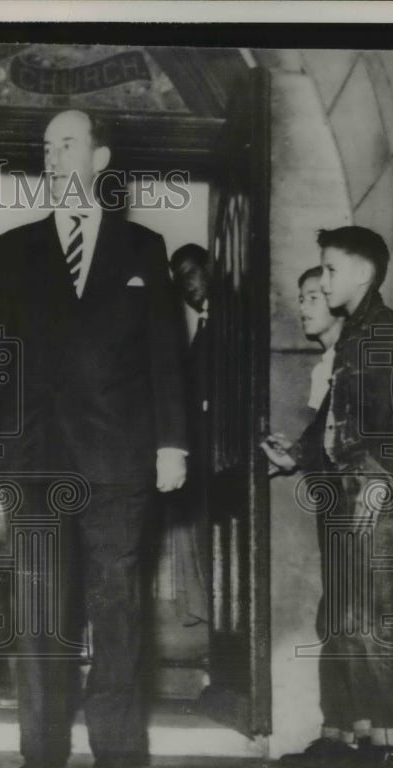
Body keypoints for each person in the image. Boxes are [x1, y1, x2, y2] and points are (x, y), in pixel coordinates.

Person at [0, 109, 187, 768]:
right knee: (37, 605)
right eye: (46, 147)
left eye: (68, 144)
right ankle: (41, 749)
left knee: (116, 602)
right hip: (34, 455)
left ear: (100, 158)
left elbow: (166, 352)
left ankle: (114, 754)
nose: (54, 156)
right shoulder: (10, 249)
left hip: (119, 456)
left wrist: (172, 443)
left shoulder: (143, 247)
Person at [266, 229, 393, 768]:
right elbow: (333, 416)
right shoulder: (355, 336)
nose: (323, 280)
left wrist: (378, 484)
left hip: (374, 489)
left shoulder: (385, 332)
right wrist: (296, 456)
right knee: (352, 622)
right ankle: (366, 743)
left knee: (378, 623)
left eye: (330, 270)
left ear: (363, 274)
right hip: (352, 485)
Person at [261, 266, 349, 768]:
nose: (304, 307)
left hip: (359, 508)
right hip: (334, 507)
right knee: (334, 615)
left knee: (352, 619)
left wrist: (300, 454)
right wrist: (295, 455)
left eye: (314, 296)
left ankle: (363, 743)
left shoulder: (350, 360)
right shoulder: (326, 365)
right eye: (301, 298)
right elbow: (325, 441)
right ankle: (337, 735)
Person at [168, 243, 212, 626]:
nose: (186, 284)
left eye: (190, 273)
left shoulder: (223, 323)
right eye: (179, 280)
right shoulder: (201, 328)